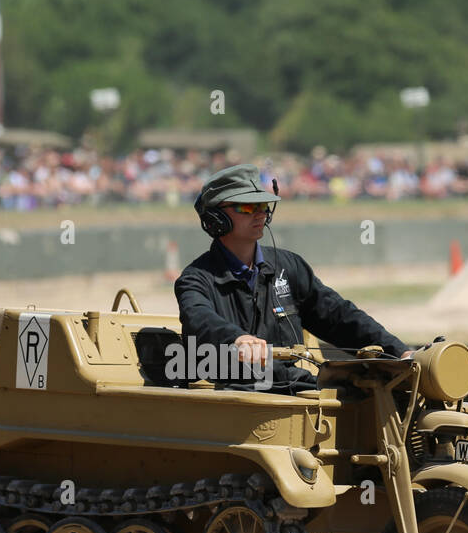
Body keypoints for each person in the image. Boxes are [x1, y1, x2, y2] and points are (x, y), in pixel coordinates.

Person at [174, 164, 412, 391]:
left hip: (294, 388)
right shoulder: (196, 279)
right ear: (216, 219)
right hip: (234, 400)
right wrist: (237, 340)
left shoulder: (288, 267)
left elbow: (337, 316)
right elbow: (200, 320)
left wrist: (399, 352)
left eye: (264, 205)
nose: (260, 214)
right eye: (246, 207)